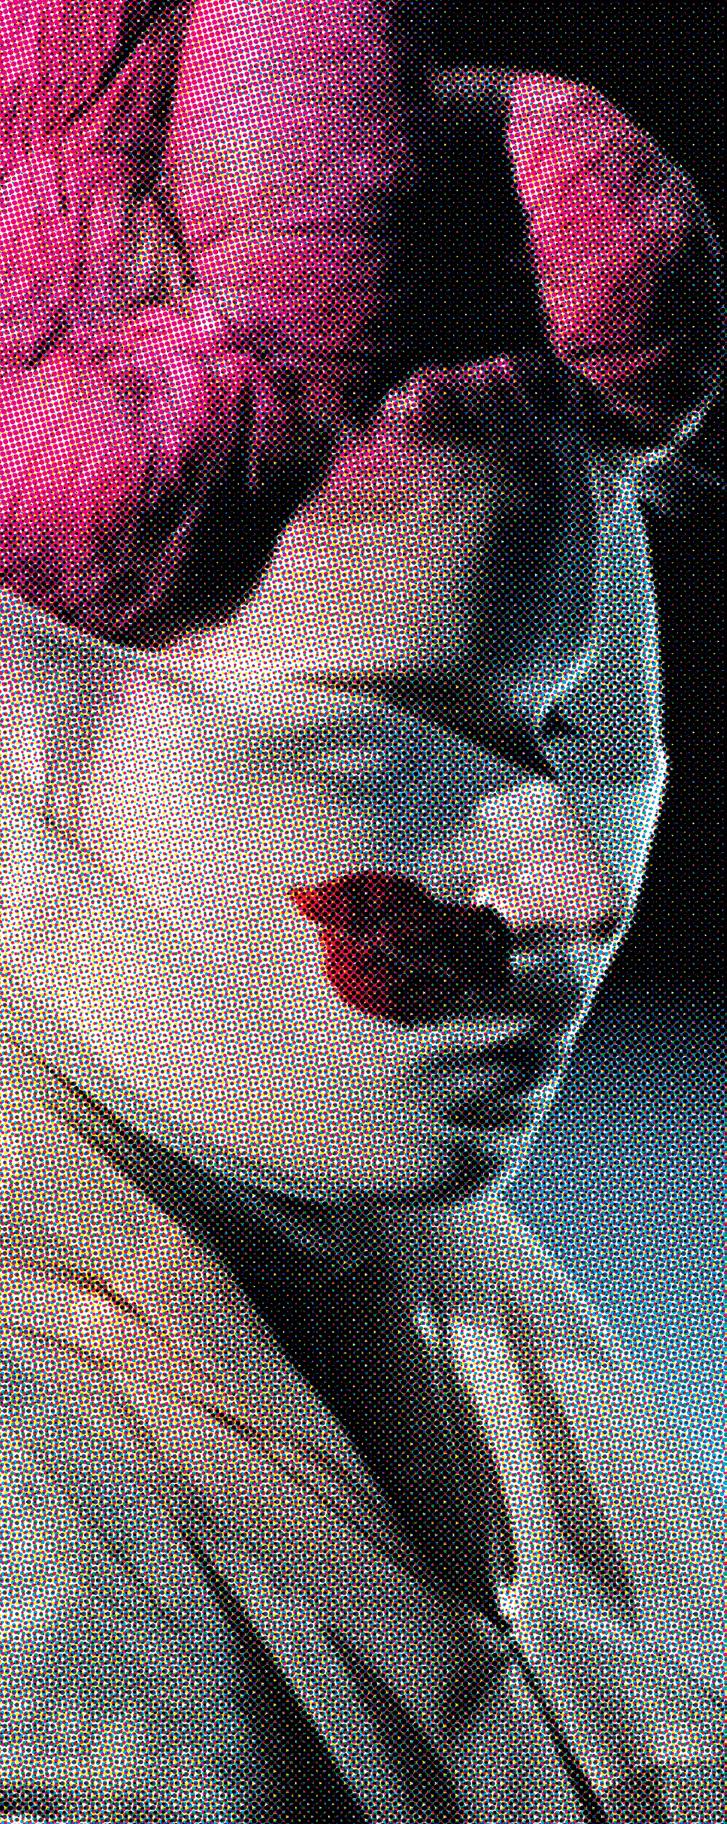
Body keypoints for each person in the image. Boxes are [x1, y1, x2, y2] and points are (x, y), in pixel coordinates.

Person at [0, 3, 724, 1819]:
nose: (569, 891)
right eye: (375, 759)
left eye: (581, 725)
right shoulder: (48, 1576)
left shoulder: (428, 1358)